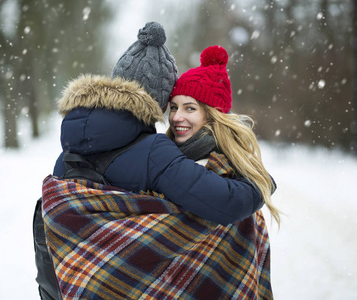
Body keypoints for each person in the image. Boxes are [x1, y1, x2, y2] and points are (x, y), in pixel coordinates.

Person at [34, 22, 270, 300]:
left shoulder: (66, 154)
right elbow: (227, 203)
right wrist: (260, 183)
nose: (175, 116)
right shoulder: (154, 151)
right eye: (172, 106)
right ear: (157, 102)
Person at [166, 44, 280, 298]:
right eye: (174, 107)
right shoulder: (163, 158)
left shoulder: (230, 173)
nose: (176, 117)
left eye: (190, 108)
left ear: (212, 116)